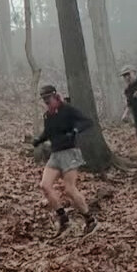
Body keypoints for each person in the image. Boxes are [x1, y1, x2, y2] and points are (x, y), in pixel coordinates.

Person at [31, 83, 98, 235]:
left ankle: (90, 220)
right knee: (45, 186)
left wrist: (75, 130)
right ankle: (63, 219)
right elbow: (48, 132)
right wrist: (38, 140)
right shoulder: (48, 115)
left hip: (70, 152)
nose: (46, 101)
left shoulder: (67, 110)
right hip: (55, 154)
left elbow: (87, 122)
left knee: (69, 189)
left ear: (55, 95)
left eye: (48, 97)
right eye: (43, 98)